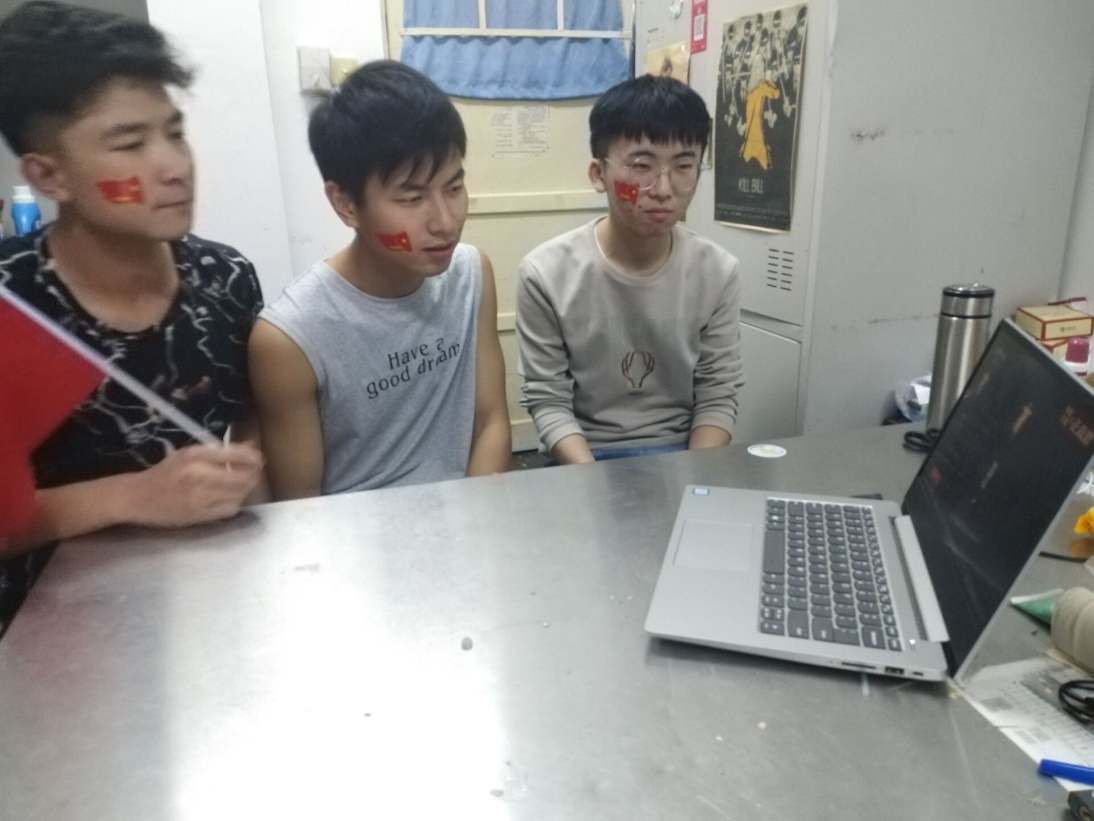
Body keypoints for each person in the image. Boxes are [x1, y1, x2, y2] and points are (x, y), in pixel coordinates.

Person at [0, 2, 265, 619]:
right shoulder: (13, 306)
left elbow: (255, 428)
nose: (175, 167)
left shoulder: (225, 278)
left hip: (206, 605)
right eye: (130, 144)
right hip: (46, 633)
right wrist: (132, 496)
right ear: (49, 177)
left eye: (175, 132)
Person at [249, 60, 510, 498]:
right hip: (355, 532)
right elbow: (300, 508)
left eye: (453, 188)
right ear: (346, 204)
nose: (446, 222)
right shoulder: (290, 338)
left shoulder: (470, 274)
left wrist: (471, 523)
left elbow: (491, 422)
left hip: (469, 516)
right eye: (412, 198)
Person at [515, 75, 745, 464]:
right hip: (584, 454)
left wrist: (692, 479)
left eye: (683, 165)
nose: (663, 188)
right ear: (598, 174)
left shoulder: (718, 271)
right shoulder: (545, 273)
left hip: (684, 453)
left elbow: (718, 395)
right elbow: (548, 399)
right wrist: (594, 482)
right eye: (641, 165)